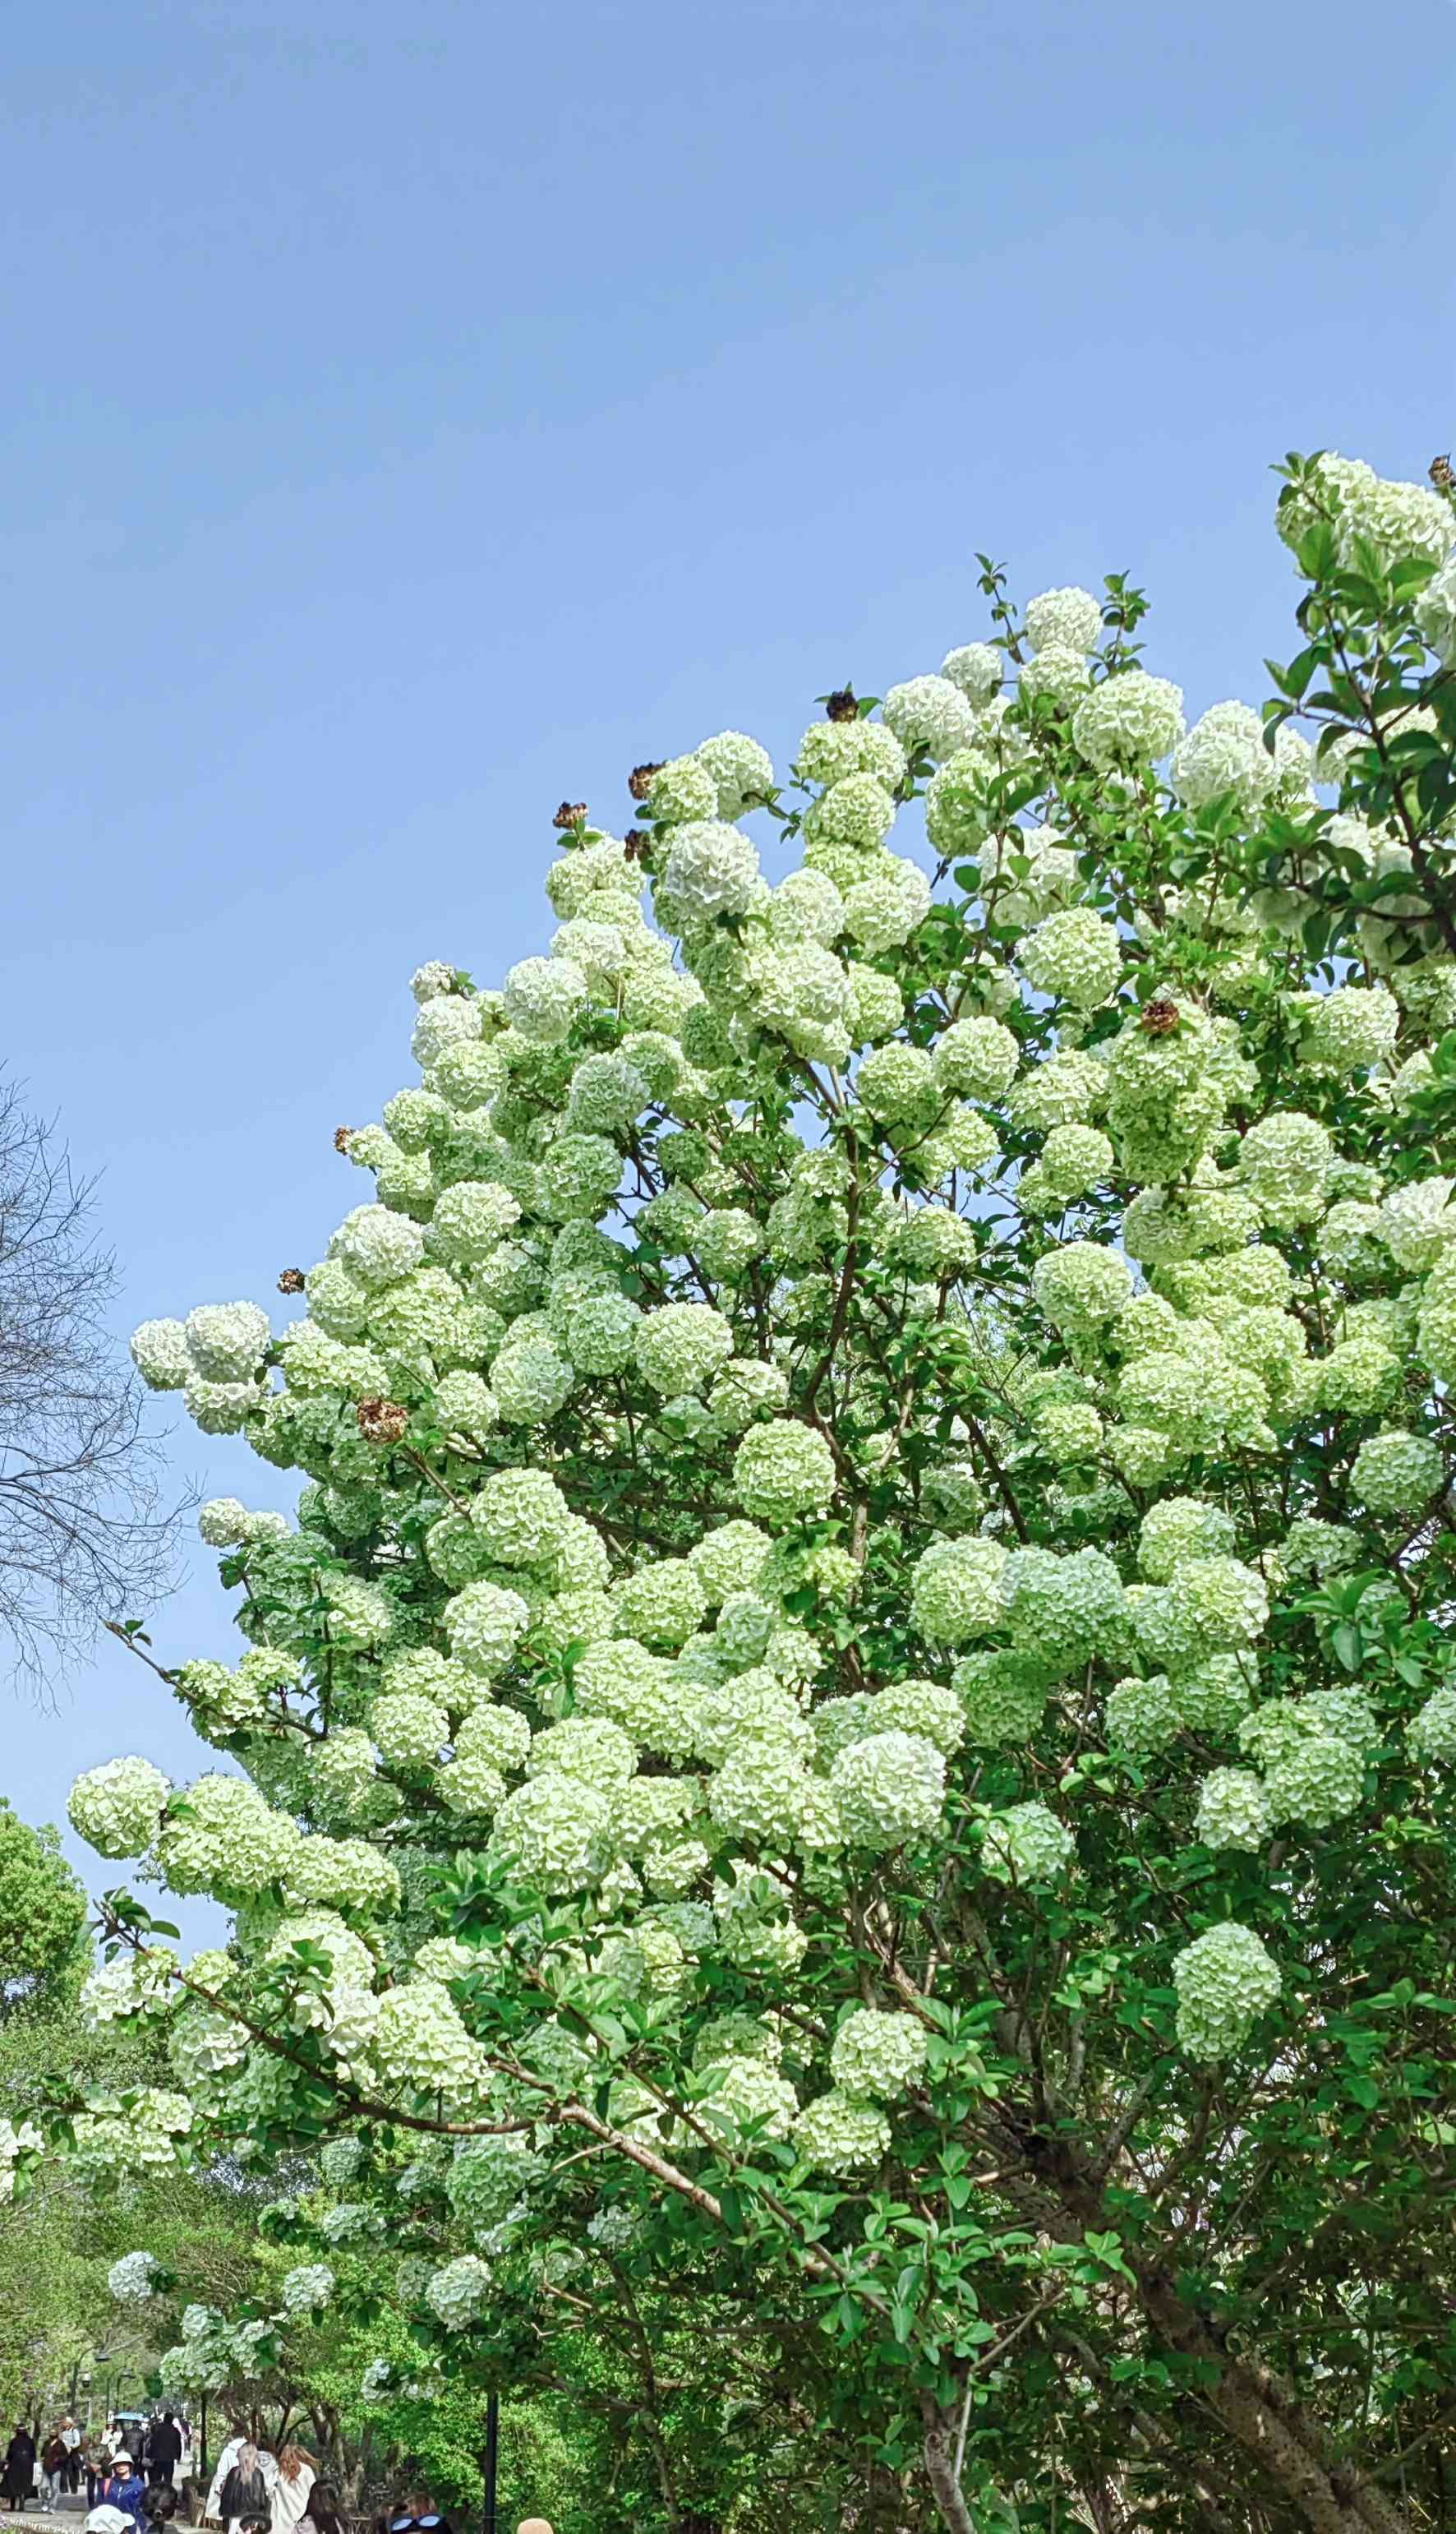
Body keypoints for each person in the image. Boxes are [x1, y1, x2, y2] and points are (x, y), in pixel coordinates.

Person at [217, 2448, 270, 2534]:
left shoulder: (234, 2472)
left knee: (233, 2530)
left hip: (235, 2512)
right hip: (250, 2514)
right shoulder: (258, 2473)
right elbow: (262, 2496)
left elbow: (226, 2494)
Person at [98, 2455, 145, 2534]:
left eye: (124, 2463)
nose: (121, 2466)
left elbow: (141, 2512)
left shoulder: (139, 2486)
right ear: (114, 2467)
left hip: (130, 2527)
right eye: (118, 2464)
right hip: (109, 2526)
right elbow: (100, 2504)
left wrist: (143, 2530)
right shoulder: (108, 2483)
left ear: (129, 2465)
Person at [268, 2452, 313, 2534]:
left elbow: (267, 2487)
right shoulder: (307, 2470)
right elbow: (313, 2491)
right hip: (298, 2518)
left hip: (277, 2520)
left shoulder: (279, 2469)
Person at [3, 2429, 35, 2515]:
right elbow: (33, 2455)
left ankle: (12, 2507)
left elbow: (9, 2455)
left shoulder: (13, 2441)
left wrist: (7, 2463)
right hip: (27, 2468)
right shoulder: (30, 2441)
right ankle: (21, 2506)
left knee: (13, 2486)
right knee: (23, 2487)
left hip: (14, 2467)